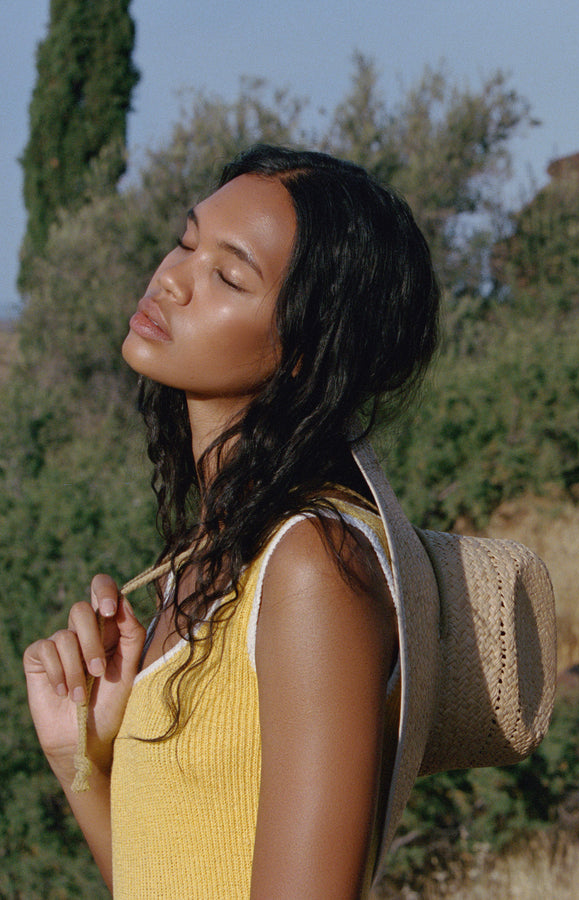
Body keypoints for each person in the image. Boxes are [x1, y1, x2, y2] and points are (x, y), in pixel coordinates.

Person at [23, 145, 440, 899]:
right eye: (186, 242)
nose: (172, 279)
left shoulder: (312, 568)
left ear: (304, 355)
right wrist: (76, 758)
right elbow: (163, 879)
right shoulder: (208, 561)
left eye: (228, 275)